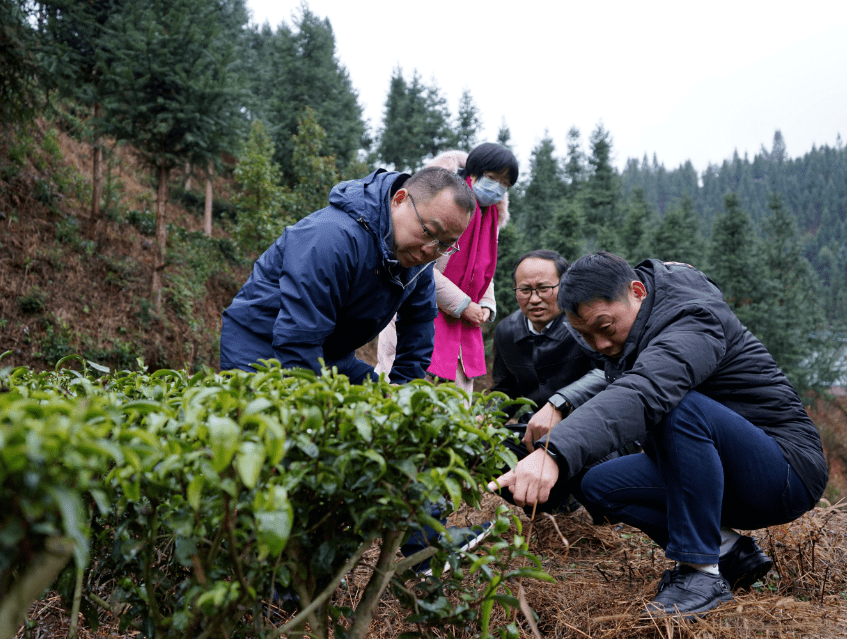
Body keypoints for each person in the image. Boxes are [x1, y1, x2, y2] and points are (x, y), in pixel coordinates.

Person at [490, 252, 828, 619]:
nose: (600, 345)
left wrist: (553, 452)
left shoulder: (694, 320)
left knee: (679, 406)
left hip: (784, 472)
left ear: (637, 291)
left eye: (604, 327)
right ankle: (729, 552)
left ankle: (700, 573)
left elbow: (645, 390)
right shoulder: (634, 326)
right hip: (724, 472)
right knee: (600, 485)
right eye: (585, 336)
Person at [220, 166, 475, 383]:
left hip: (330, 357)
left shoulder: (416, 259)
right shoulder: (332, 238)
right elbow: (297, 337)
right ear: (399, 199)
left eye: (444, 244)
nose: (430, 250)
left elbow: (418, 328)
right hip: (260, 348)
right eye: (429, 232)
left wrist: (404, 395)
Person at [490, 249, 635, 514]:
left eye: (544, 289)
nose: (534, 299)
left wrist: (560, 403)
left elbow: (609, 370)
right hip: (536, 435)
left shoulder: (585, 324)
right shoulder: (507, 331)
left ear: (564, 285)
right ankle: (550, 503)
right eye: (524, 290)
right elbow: (505, 388)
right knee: (485, 447)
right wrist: (485, 418)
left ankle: (598, 505)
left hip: (595, 432)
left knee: (599, 475)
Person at [377, 143, 518, 394]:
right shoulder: (446, 209)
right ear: (472, 173)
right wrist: (463, 304)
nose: (498, 188)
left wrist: (485, 304)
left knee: (454, 401)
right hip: (422, 310)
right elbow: (420, 264)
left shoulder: (490, 219)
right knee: (404, 389)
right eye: (492, 178)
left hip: (463, 323)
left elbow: (484, 270)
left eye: (505, 184)